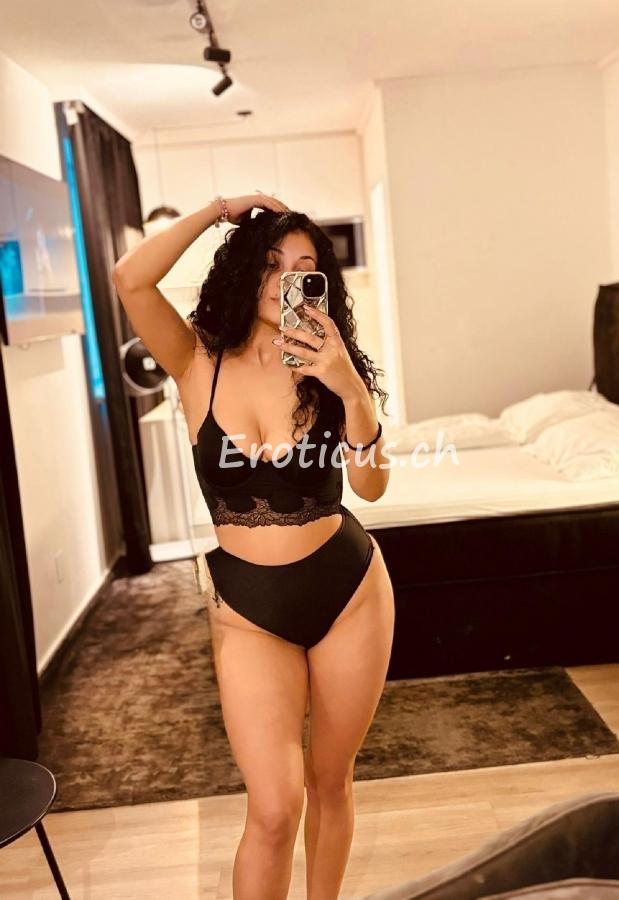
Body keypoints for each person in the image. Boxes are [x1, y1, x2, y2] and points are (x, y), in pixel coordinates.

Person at [112, 193, 396, 899]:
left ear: (320, 284)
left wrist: (351, 390)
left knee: (330, 781)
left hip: (349, 593)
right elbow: (130, 280)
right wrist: (218, 210)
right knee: (273, 809)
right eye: (272, 263)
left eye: (304, 267)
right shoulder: (194, 360)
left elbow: (370, 486)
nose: (285, 279)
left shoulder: (330, 368)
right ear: (245, 268)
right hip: (248, 608)